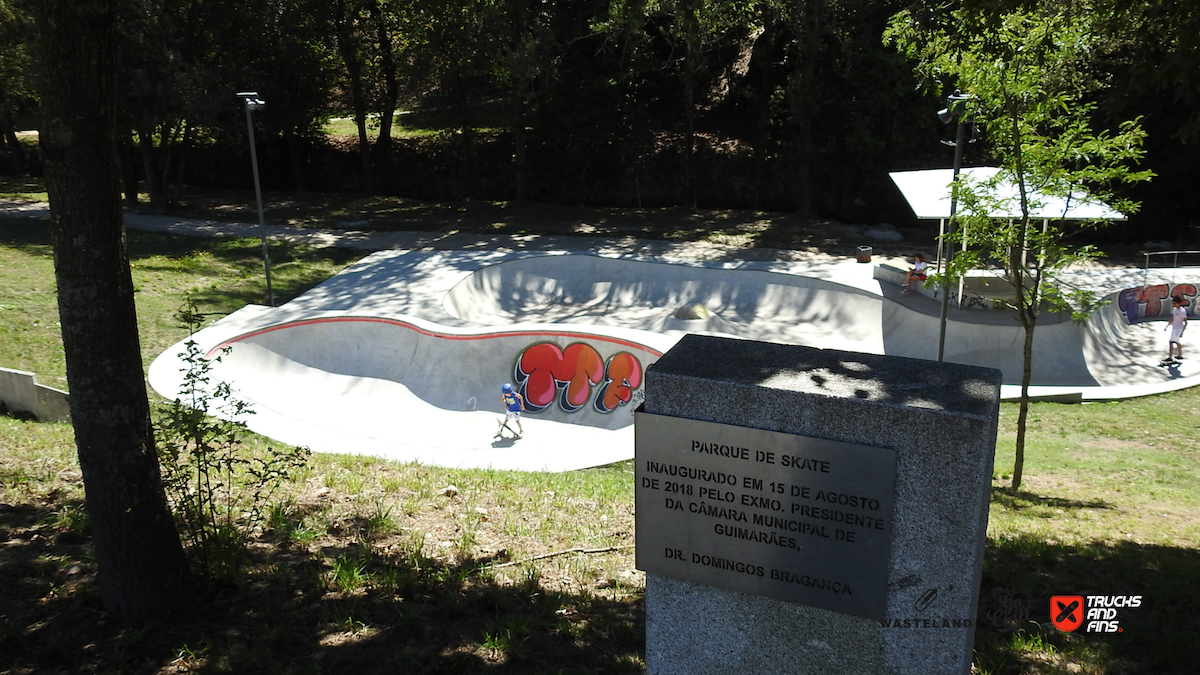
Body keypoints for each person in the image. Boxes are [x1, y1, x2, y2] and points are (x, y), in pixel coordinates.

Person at [1162, 295, 1188, 365]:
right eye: (1173, 303)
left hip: (1178, 328)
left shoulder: (1182, 311)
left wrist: (1182, 331)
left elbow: (1185, 322)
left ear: (1179, 303)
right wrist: (1167, 326)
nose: (1173, 305)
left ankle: (1170, 357)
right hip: (1174, 327)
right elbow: (1173, 318)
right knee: (1176, 342)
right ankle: (1180, 355)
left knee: (1171, 342)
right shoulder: (1175, 309)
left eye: (1175, 303)